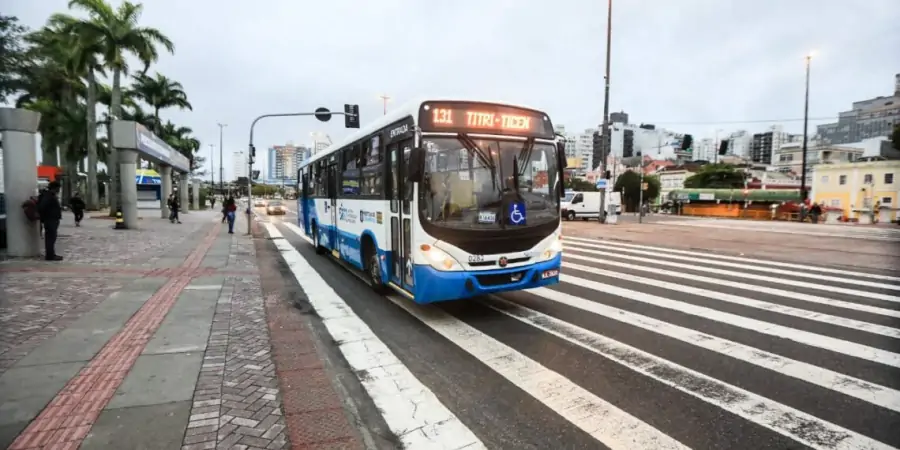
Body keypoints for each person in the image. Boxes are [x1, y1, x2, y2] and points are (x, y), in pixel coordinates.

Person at [38, 181, 63, 261]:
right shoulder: (48, 196)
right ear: (55, 188)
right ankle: (50, 256)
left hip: (52, 219)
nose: (59, 190)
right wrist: (48, 215)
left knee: (52, 238)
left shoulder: (50, 195)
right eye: (58, 188)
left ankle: (51, 254)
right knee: (50, 238)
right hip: (50, 219)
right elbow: (42, 207)